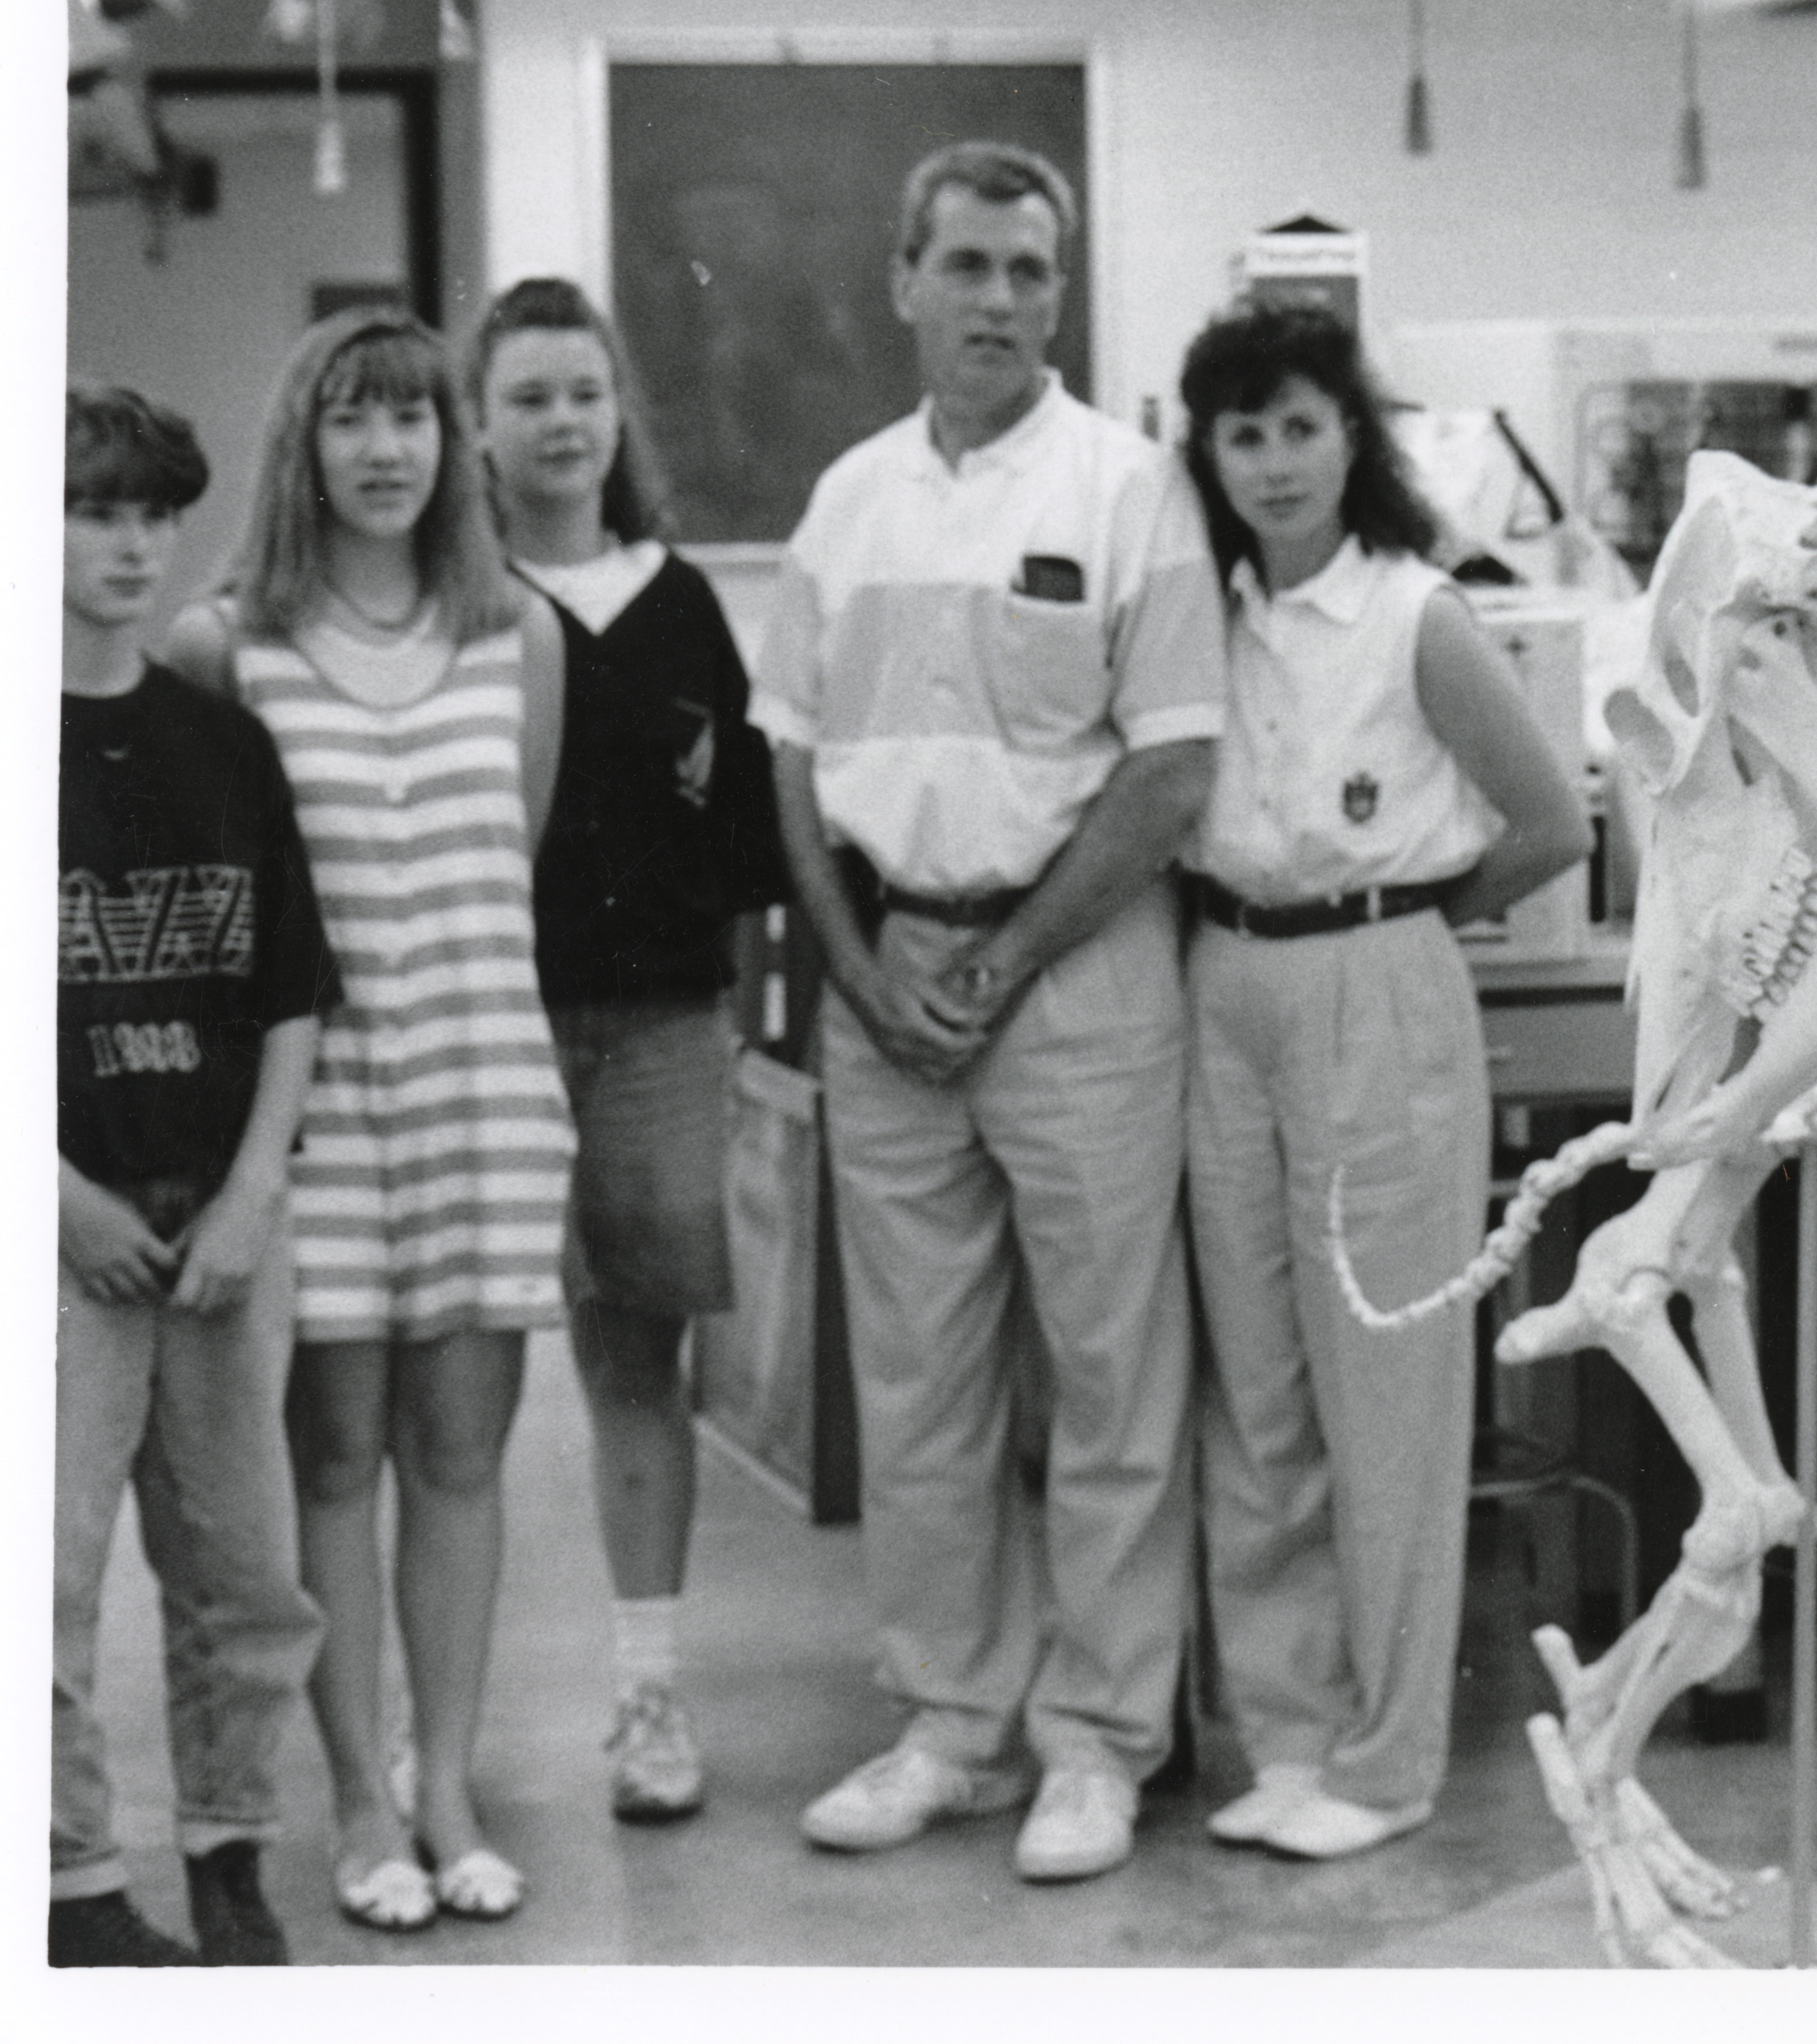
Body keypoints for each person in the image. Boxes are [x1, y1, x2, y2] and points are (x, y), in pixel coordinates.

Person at [751, 140, 1225, 1885]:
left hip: (1079, 976)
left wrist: (1005, 957)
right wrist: (861, 969)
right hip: (887, 980)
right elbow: (792, 758)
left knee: (1109, 1376)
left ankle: (1096, 1741)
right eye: (967, 265)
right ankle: (951, 1725)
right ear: (904, 281)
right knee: (917, 1386)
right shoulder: (845, 501)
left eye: (1031, 271)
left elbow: (1170, 769)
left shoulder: (1130, 491)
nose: (1001, 300)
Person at [166, 310, 573, 1934]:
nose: (386, 448)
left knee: (460, 1455)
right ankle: (357, 1800)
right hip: (313, 1106)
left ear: (451, 442)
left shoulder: (519, 629)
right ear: (306, 444)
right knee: (331, 1456)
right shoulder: (228, 643)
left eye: (413, 416)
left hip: (482, 1083)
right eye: (352, 418)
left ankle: (448, 1785)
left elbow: (509, 860)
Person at [1172, 304, 1592, 1861]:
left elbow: (1552, 823)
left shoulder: (1416, 612)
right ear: (1207, 454)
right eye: (1244, 434)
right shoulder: (1197, 612)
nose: (1275, 462)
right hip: (1224, 978)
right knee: (1256, 1383)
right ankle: (1287, 1733)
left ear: (1352, 437)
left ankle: (1389, 1757)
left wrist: (1402, 919)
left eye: (1301, 426)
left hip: (1375, 973)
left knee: (1388, 1392)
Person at [472, 277, 789, 1826]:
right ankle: (433, 1725)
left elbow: (741, 842)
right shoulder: (461, 604)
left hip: (661, 1028)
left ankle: (650, 1696)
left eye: (583, 394)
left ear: (620, 413)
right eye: (528, 396)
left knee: (635, 1365)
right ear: (480, 425)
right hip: (488, 1025)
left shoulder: (680, 604)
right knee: (454, 1382)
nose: (560, 423)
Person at [54, 387, 337, 1967]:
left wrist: (251, 1194)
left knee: (247, 1570)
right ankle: (72, 1884)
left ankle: (231, 1850)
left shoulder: (222, 743)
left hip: (220, 1221)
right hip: (60, 1228)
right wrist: (58, 1201)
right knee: (45, 1575)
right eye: (95, 510)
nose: (133, 544)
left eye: (156, 514)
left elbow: (291, 991)